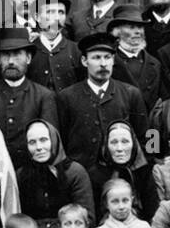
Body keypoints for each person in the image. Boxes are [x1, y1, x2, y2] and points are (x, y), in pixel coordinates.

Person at [57, 32, 149, 172]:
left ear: (113, 60)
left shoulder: (131, 93)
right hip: (83, 177)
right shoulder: (67, 97)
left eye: (107, 57)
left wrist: (154, 158)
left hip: (122, 175)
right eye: (96, 58)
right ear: (84, 61)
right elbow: (61, 140)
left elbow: (149, 134)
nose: (103, 64)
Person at [0, 28, 58, 166]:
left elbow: (49, 144)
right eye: (5, 55)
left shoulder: (43, 96)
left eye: (17, 54)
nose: (11, 61)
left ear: (28, 58)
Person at [16, 119, 95, 228]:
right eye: (32, 142)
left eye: (43, 140)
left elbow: (87, 219)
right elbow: (19, 217)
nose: (38, 147)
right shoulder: (22, 175)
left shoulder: (74, 172)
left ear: (54, 140)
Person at [87, 120, 157, 220]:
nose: (119, 148)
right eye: (114, 142)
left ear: (133, 144)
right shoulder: (96, 174)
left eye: (125, 142)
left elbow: (152, 212)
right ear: (106, 145)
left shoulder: (143, 172)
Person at [29, 0, 83, 93]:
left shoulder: (76, 51)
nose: (57, 18)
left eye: (61, 12)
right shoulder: (29, 50)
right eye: (50, 12)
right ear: (37, 17)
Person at [110, 5, 161, 111]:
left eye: (140, 27)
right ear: (117, 32)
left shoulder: (155, 63)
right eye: (131, 27)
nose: (138, 32)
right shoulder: (108, 62)